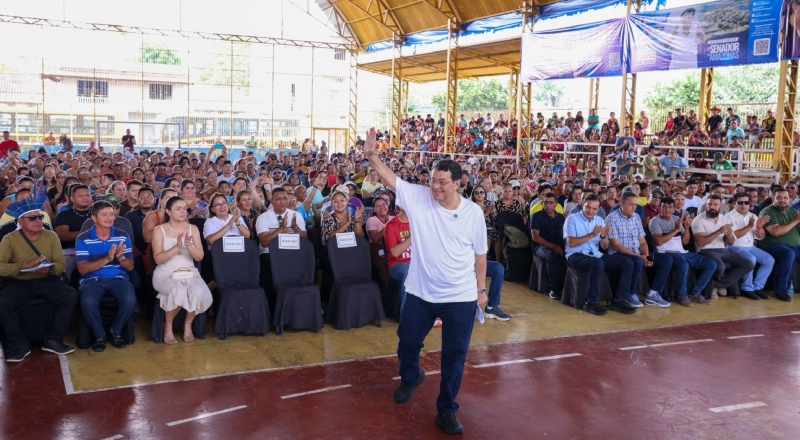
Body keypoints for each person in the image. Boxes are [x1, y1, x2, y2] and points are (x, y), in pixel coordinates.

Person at [365, 127, 486, 435]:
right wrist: (370, 155)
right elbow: (390, 178)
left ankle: (446, 410)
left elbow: (480, 255)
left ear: (458, 183)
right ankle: (411, 376)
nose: (434, 186)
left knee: (454, 355)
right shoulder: (419, 198)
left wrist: (481, 290)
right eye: (432, 179)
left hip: (459, 296)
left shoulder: (473, 214)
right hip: (420, 292)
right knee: (407, 343)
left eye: (442, 181)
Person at [0, 206, 78, 362]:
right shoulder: (9, 239)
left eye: (40, 217)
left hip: (46, 280)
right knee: (2, 301)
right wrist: (24, 266)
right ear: (20, 221)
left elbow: (60, 265)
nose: (38, 221)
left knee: (71, 295)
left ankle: (53, 339)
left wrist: (49, 269)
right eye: (32, 218)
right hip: (19, 283)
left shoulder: (51, 236)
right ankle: (17, 344)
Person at [75, 201, 136, 352]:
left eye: (112, 214)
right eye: (104, 215)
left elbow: (130, 266)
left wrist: (121, 258)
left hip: (118, 278)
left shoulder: (122, 235)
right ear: (94, 218)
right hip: (91, 280)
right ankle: (99, 335)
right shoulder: (83, 238)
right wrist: (107, 259)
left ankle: (115, 331)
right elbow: (82, 269)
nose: (110, 217)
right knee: (88, 302)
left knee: (130, 300)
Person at [151, 196, 212, 344]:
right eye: (178, 209)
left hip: (189, 272)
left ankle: (188, 324)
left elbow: (199, 257)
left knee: (197, 291)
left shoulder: (193, 229)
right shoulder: (159, 230)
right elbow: (158, 259)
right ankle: (168, 326)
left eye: (184, 208)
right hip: (166, 274)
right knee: (179, 290)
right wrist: (177, 247)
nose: (183, 211)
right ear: (168, 211)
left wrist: (189, 246)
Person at [563, 194, 637, 315]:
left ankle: (620, 300)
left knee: (627, 262)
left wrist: (603, 236)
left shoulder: (599, 220)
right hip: (575, 255)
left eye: (594, 209)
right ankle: (591, 302)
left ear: (598, 209)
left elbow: (604, 246)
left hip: (595, 254)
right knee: (597, 263)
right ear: (583, 204)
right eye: (588, 207)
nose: (590, 211)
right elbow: (571, 243)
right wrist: (592, 235)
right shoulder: (572, 219)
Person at [648, 197, 717, 307]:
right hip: (667, 253)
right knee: (683, 264)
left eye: (669, 207)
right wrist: (675, 229)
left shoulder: (676, 219)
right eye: (664, 207)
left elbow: (685, 241)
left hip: (682, 252)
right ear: (660, 208)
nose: (666, 209)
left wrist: (687, 228)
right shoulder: (655, 221)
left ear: (673, 208)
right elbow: (659, 241)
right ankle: (681, 295)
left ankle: (694, 293)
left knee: (711, 264)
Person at [691, 195, 754, 299]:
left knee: (748, 264)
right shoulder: (699, 220)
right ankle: (716, 287)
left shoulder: (724, 219)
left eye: (715, 204)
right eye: (709, 204)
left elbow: (731, 242)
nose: (712, 207)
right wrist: (719, 231)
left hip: (723, 249)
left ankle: (717, 285)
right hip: (705, 250)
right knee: (720, 266)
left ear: (720, 206)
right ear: (706, 205)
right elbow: (701, 242)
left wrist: (729, 235)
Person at [605, 192, 651, 308]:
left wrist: (646, 255)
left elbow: (643, 241)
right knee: (636, 261)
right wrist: (639, 256)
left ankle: (653, 293)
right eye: (631, 204)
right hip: (618, 253)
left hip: (635, 252)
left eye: (635, 205)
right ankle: (628, 294)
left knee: (665, 259)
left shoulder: (636, 217)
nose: (634, 207)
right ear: (621, 203)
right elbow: (615, 245)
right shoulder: (612, 218)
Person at [725, 193, 773, 300]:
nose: (743, 205)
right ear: (734, 203)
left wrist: (760, 227)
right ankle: (747, 288)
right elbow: (733, 236)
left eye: (746, 202)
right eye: (740, 202)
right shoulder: (728, 217)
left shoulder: (753, 216)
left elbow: (759, 236)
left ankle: (757, 287)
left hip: (750, 247)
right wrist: (750, 226)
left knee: (769, 260)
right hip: (734, 247)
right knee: (751, 259)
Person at [759, 187, 800, 302]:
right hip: (771, 246)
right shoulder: (768, 211)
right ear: (773, 198)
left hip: (795, 246)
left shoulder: (792, 211)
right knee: (788, 253)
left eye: (785, 198)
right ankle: (780, 290)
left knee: (790, 251)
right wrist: (796, 221)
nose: (783, 200)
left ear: (789, 199)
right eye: (779, 198)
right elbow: (775, 232)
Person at [530, 192, 567, 299]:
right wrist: (553, 246)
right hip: (541, 247)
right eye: (546, 203)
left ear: (556, 204)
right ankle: (553, 289)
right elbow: (535, 237)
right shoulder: (537, 216)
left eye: (551, 203)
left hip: (559, 244)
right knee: (552, 256)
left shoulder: (560, 217)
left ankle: (565, 287)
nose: (548, 205)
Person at [54, 184, 93, 283]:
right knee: (65, 266)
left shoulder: (98, 212)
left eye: (87, 195)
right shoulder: (64, 214)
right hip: (72, 252)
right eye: (80, 196)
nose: (85, 198)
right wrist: (86, 231)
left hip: (95, 249)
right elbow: (62, 235)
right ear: (72, 198)